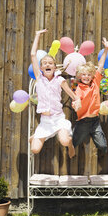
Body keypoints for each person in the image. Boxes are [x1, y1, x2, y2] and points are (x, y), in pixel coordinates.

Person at [30, 29, 81, 158]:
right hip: (45, 121)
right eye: (44, 63)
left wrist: (77, 100)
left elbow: (71, 93)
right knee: (35, 150)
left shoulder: (60, 80)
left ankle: (71, 145)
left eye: (50, 63)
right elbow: (32, 54)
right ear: (41, 68)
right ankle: (34, 138)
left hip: (58, 119)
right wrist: (37, 35)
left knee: (64, 141)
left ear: (54, 67)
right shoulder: (39, 78)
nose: (47, 64)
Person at [72, 37, 108, 153]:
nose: (86, 77)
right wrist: (76, 105)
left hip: (95, 121)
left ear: (92, 75)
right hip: (83, 122)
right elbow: (77, 99)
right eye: (83, 75)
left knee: (103, 146)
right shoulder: (79, 89)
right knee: (74, 144)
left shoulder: (95, 82)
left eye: (88, 74)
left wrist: (106, 49)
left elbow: (101, 64)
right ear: (79, 76)